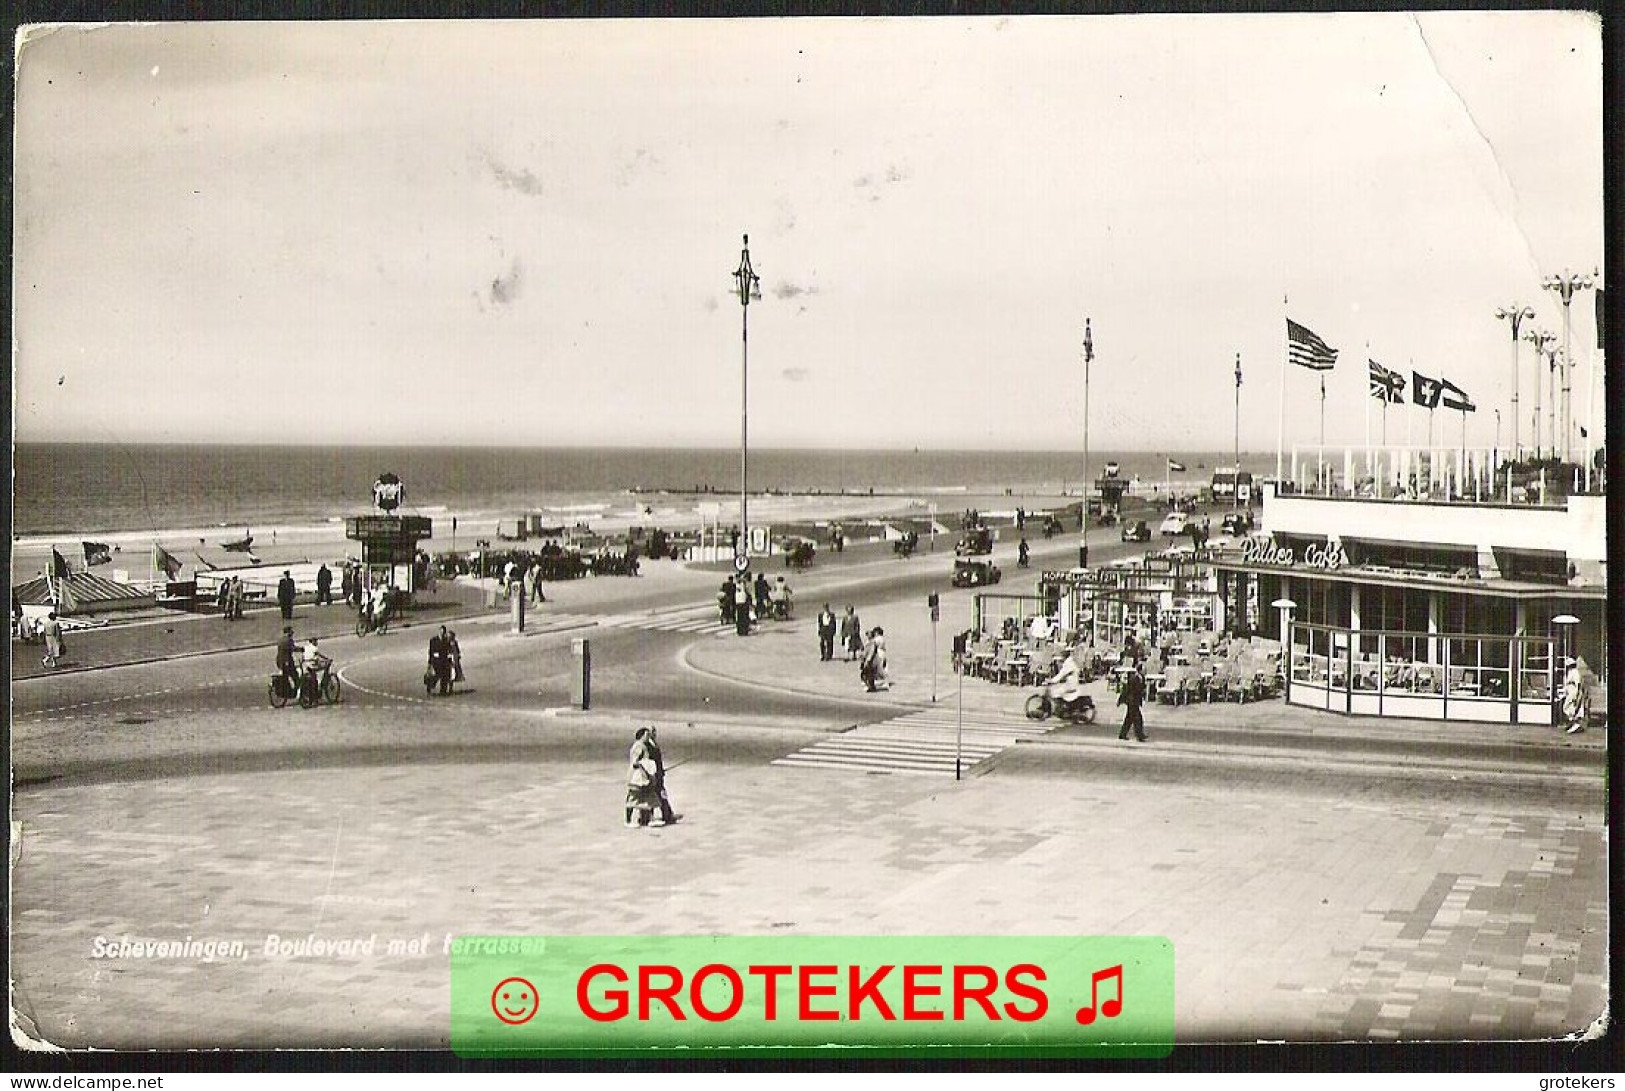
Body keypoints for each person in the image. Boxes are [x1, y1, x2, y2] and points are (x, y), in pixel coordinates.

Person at [644, 725, 678, 826]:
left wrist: (661, 771)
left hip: (658, 774)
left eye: (654, 731)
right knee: (654, 795)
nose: (654, 733)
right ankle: (648, 817)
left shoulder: (654, 744)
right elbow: (649, 761)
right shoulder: (647, 746)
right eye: (651, 732)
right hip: (652, 774)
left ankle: (666, 815)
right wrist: (653, 773)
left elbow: (658, 760)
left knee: (661, 794)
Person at [625, 728, 659, 828]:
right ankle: (628, 821)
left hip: (645, 775)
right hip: (637, 776)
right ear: (641, 736)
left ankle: (651, 820)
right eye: (646, 735)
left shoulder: (645, 745)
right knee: (633, 797)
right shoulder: (638, 746)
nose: (648, 737)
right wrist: (645, 768)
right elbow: (635, 762)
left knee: (650, 797)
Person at [1118, 661, 1148, 742]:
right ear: (1140, 670)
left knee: (1129, 719)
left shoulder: (1141, 678)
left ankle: (1122, 734)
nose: (1145, 671)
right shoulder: (1134, 678)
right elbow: (1129, 690)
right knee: (1138, 719)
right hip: (1132, 701)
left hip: (1135, 701)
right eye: (1144, 670)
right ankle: (1139, 735)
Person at [1561, 658, 1590, 735]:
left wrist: (1577, 694)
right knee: (1567, 707)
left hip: (1573, 691)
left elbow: (1578, 684)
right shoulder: (1570, 672)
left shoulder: (1575, 672)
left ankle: (1574, 722)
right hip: (1569, 691)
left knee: (1568, 707)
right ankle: (1571, 722)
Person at [300, 636, 332, 703]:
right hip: (312, 665)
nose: (317, 642)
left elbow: (302, 658)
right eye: (316, 641)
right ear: (313, 642)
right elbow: (320, 655)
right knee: (325, 667)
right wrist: (327, 659)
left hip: (306, 665)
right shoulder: (314, 648)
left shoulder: (306, 647)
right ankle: (321, 684)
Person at [428, 626, 454, 696]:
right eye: (441, 631)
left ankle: (443, 691)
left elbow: (449, 650)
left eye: (443, 632)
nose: (442, 633)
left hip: (444, 660)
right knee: (438, 674)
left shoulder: (446, 640)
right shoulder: (433, 640)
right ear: (439, 631)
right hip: (436, 661)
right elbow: (430, 651)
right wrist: (430, 662)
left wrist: (450, 660)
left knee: (445, 675)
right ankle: (430, 685)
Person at [275, 625, 299, 694]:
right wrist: (302, 649)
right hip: (287, 661)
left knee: (285, 676)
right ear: (288, 632)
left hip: (279, 661)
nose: (292, 633)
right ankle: (295, 691)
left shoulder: (280, 639)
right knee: (295, 676)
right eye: (291, 631)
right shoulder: (288, 640)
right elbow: (293, 648)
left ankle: (287, 690)